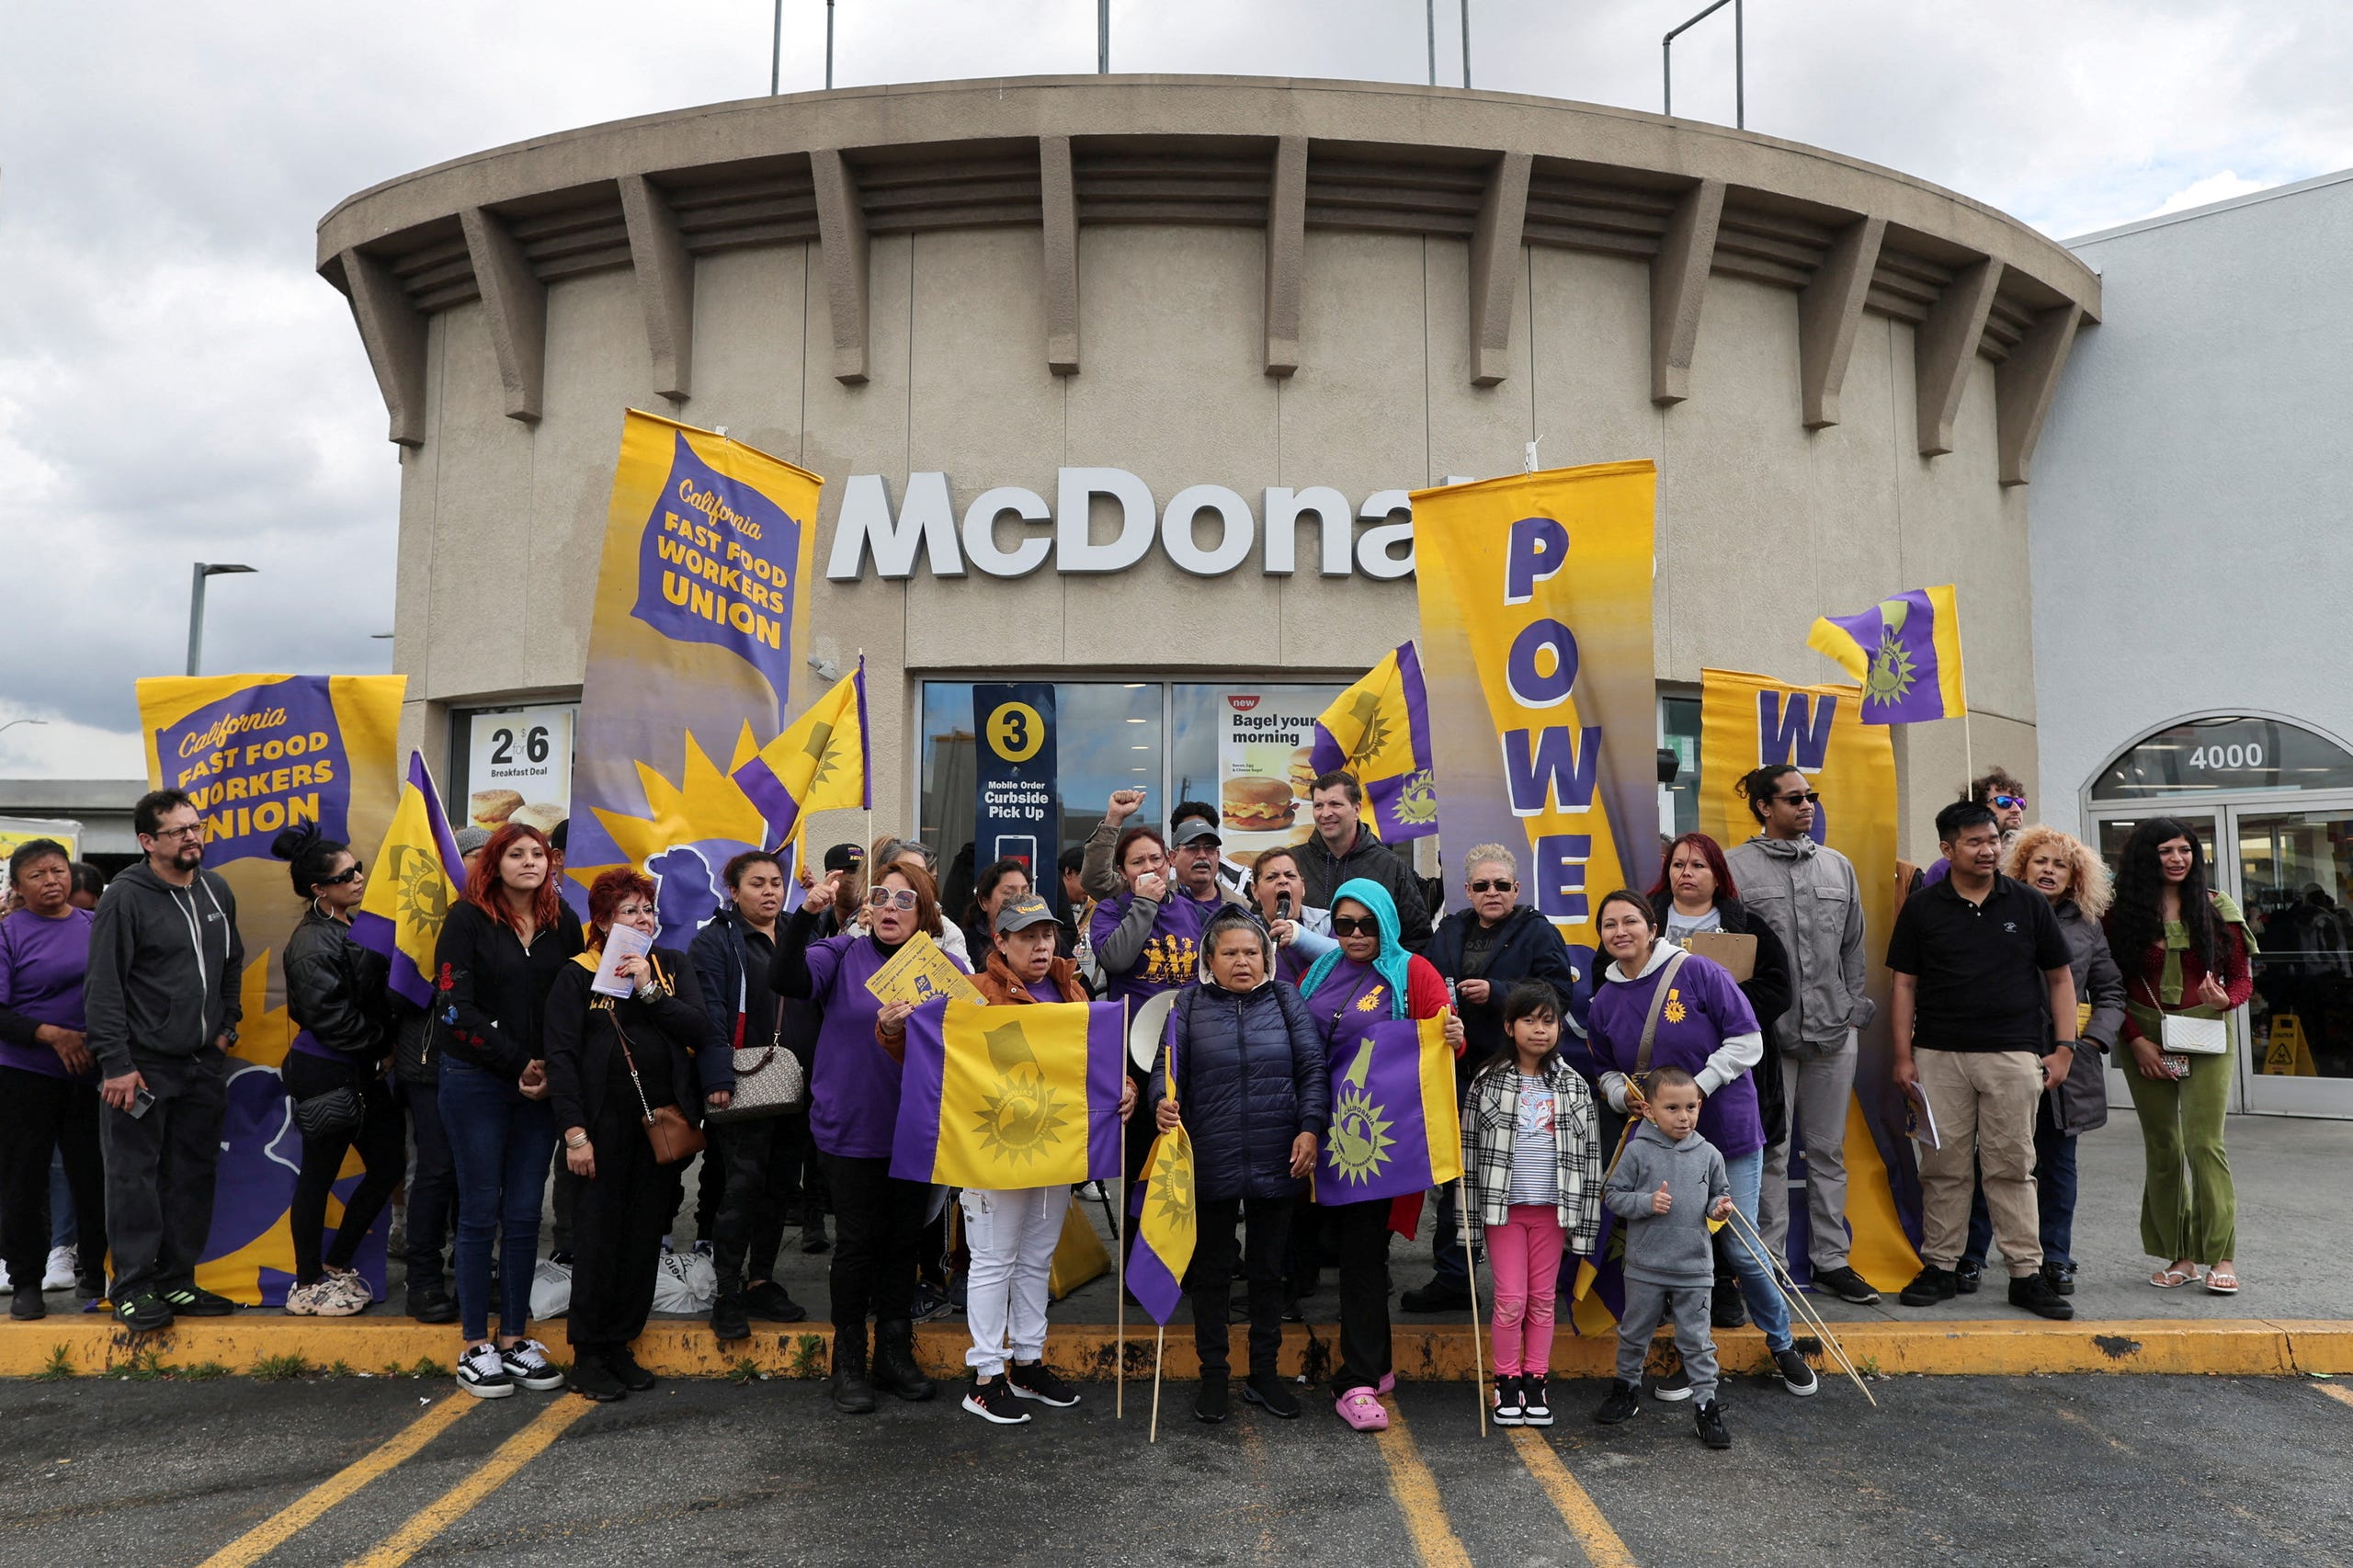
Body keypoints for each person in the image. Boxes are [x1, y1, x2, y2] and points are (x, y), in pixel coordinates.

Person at [1585, 889, 1818, 1397]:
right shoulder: (1604, 1000)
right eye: (1609, 926)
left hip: (1726, 1130)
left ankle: (1781, 1342)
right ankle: (1687, 1361)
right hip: (1657, 1143)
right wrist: (1620, 1096)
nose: (1620, 932)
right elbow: (1603, 1066)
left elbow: (1748, 1040)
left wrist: (1695, 1092)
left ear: (1652, 926)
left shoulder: (1697, 972)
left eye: (1630, 921)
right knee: (1666, 1245)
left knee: (1740, 1243)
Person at [773, 858, 968, 1415]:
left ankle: (895, 1354)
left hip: (917, 1127)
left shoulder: (944, 967)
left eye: (905, 900)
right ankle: (850, 1360)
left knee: (902, 1242)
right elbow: (784, 979)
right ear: (866, 906)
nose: (890, 907)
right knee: (857, 1245)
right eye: (881, 895)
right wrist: (804, 916)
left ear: (924, 914)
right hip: (850, 1126)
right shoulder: (839, 953)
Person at [1889, 801, 2078, 1320]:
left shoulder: (2027, 903)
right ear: (1947, 850)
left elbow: (2060, 977)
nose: (1988, 849)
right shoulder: (1923, 908)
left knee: (2013, 1165)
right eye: (1974, 841)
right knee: (1943, 1167)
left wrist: (2065, 1047)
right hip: (1938, 1054)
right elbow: (1903, 982)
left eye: (1993, 839)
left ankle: (2025, 1273)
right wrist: (1903, 1055)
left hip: (2013, 1054)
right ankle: (1941, 1266)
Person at [545, 869, 722, 1401]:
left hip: (658, 1129)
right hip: (600, 1132)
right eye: (630, 911)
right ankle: (589, 1354)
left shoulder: (670, 966)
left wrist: (648, 991)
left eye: (648, 909)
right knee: (598, 1241)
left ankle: (621, 1343)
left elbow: (700, 1029)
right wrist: (575, 1134)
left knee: (644, 1237)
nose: (644, 919)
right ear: (602, 922)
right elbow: (562, 1058)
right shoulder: (576, 975)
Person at [1296, 878, 1462, 1432]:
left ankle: (1358, 1380)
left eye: (1368, 923)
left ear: (1387, 922)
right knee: (1346, 1252)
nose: (1357, 934)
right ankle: (1378, 1364)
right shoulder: (1318, 971)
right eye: (1344, 925)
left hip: (1379, 1146)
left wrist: (1453, 1033)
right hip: (1322, 1135)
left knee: (1362, 1255)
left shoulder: (1412, 971)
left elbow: (1443, 1037)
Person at [1150, 905, 1327, 1424]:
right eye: (1230, 952)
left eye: (1252, 952)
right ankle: (1213, 1377)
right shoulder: (1187, 1005)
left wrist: (1310, 1127)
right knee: (1211, 1274)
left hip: (1280, 1155)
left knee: (1269, 1274)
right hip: (1211, 1156)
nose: (1243, 962)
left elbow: (1312, 1068)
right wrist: (1161, 1100)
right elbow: (1166, 1071)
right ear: (1210, 958)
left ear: (1268, 958)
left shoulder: (1287, 999)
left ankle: (1264, 1374)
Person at [956, 894, 1130, 1423]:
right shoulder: (974, 993)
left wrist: (1122, 1086)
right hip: (995, 1150)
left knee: (1035, 1257)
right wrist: (892, 1029)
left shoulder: (1068, 986)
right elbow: (929, 1058)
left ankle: (1027, 1363)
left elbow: (1093, 1059)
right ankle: (985, 1376)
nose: (1040, 945)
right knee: (992, 1259)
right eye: (1026, 936)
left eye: (1047, 935)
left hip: (1054, 1145)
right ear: (1000, 943)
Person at [432, 820, 584, 1397]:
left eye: (538, 853)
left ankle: (515, 1337)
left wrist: (549, 1067)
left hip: (539, 1086)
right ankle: (475, 1343)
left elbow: (571, 1002)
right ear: (493, 862)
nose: (530, 862)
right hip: (475, 1079)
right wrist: (520, 1060)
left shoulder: (561, 921)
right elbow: (453, 1008)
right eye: (516, 853)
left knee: (524, 1212)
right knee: (479, 1211)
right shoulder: (467, 919)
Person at [85, 790, 244, 1332]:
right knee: (134, 1178)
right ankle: (130, 1288)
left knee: (192, 1176)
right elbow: (103, 987)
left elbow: (232, 961)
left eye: (196, 827)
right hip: (141, 1067)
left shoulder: (216, 889)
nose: (192, 837)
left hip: (202, 1064)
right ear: (147, 841)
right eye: (178, 831)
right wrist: (115, 1064)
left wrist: (226, 1027)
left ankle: (177, 1279)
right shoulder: (124, 897)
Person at [1724, 765, 1878, 1306]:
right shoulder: (1734, 870)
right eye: (1794, 798)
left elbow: (1853, 948)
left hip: (1835, 1032)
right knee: (1770, 1149)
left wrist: (1853, 1010)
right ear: (1765, 807)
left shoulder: (1838, 867)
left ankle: (1832, 1259)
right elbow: (1730, 956)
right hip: (1770, 1037)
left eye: (1810, 796)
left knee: (1828, 1150)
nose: (1807, 805)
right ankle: (1765, 1263)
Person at [1408, 844, 1583, 1314]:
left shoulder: (1537, 931)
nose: (1492, 892)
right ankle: (1454, 1277)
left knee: (1525, 1181)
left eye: (1501, 885)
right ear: (1466, 891)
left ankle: (1529, 1285)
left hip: (1516, 1073)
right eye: (1481, 885)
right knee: (1456, 1177)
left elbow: (1560, 995)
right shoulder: (1450, 929)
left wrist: (1499, 993)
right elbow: (1419, 981)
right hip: (1455, 1071)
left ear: (1516, 889)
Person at [1956, 827, 2127, 1298]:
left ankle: (2055, 1257)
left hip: (2065, 1068)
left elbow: (2111, 992)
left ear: (2075, 878)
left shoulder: (2087, 926)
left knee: (2056, 1165)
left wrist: (2088, 1043)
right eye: (2040, 861)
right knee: (1992, 1161)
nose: (2049, 870)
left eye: (2061, 864)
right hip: (2002, 1056)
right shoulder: (1994, 911)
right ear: (2022, 867)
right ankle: (1971, 1256)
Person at [1648, 832, 1793, 1328]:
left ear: (1718, 875)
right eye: (1678, 864)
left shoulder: (1746, 925)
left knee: (1724, 1195)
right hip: (1660, 1083)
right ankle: (1673, 1289)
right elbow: (1612, 974)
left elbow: (1779, 989)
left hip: (1729, 1080)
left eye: (1698, 866)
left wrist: (1710, 1008)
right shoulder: (1645, 920)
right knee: (1673, 1193)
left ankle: (1727, 1288)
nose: (1685, 873)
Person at [2106, 818, 2254, 1295]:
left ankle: (2222, 1256)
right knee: (2165, 1147)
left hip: (2206, 1033)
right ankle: (2182, 1256)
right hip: (2146, 1037)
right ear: (2146, 858)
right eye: (2166, 850)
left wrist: (2224, 1001)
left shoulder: (2217, 908)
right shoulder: (2120, 914)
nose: (2177, 858)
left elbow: (2242, 980)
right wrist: (2135, 1040)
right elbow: (2109, 986)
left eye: (2185, 849)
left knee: (2203, 1143)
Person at [273, 825, 404, 1317]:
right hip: (327, 1071)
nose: (358, 877)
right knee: (318, 1174)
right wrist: (382, 1047)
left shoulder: (349, 924)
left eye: (358, 868)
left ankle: (335, 1264)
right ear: (318, 890)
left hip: (361, 1070)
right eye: (345, 875)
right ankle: (307, 1281)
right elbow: (327, 1017)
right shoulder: (311, 942)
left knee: (389, 1166)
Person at [1460, 983, 1599, 1428]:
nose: (1539, 1030)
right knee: (1509, 1299)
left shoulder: (1575, 1084)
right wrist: (1467, 1220)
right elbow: (1467, 1153)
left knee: (1542, 1299)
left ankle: (1536, 1379)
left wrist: (1585, 1222)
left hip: (1552, 1210)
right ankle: (1506, 1380)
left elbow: (1591, 1157)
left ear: (1559, 1027)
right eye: (1529, 1020)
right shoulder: (1487, 1081)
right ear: (1509, 1026)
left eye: (1548, 1021)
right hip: (1504, 1209)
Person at [691, 850, 811, 1343]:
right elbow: (710, 1014)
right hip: (741, 1080)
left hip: (794, 1080)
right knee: (739, 1188)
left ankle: (762, 1278)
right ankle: (726, 1292)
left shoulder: (797, 933)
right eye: (757, 883)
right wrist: (717, 1076)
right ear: (733, 891)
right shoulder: (715, 941)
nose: (769, 892)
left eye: (776, 883)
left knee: (780, 1187)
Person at [1593, 1066, 1736, 1449]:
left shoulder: (1709, 1154)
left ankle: (1706, 1406)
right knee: (1634, 1332)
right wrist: (1646, 1202)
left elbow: (1718, 1198)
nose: (1683, 1116)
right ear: (1650, 1110)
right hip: (1645, 1266)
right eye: (1672, 1108)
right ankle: (1625, 1389)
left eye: (1690, 1107)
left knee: (1698, 1340)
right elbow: (1613, 1195)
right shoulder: (1638, 1149)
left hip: (1695, 1267)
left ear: (1700, 1106)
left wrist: (1720, 1208)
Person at [0, 838, 105, 1319]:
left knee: (93, 1175)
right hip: (25, 1073)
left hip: (90, 1071)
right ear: (18, 886)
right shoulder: (9, 932)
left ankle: (95, 1274)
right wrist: (53, 1035)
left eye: (58, 870)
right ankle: (26, 1280)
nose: (51, 881)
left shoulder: (95, 925)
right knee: (24, 1177)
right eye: (37, 874)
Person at [393, 824, 490, 1324]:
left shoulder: (499, 913)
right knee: (436, 1172)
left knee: (478, 1174)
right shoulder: (424, 914)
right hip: (430, 1063)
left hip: (485, 1064)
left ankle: (473, 1267)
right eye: (480, 855)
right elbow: (394, 992)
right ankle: (424, 1279)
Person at [1294, 773, 1434, 951]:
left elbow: (1417, 939)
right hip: (1302, 978)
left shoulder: (1391, 866)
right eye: (1318, 806)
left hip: (1374, 978)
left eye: (1335, 804)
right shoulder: (1293, 864)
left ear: (1357, 809)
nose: (1325, 813)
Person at [1918, 769, 2030, 888]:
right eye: (2004, 802)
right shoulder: (1945, 869)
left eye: (2020, 802)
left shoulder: (2034, 860)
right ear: (1978, 807)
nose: (2016, 809)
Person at [1246, 844, 1335, 983]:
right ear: (1255, 890)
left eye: (1290, 875)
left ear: (1303, 887)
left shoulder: (1327, 921)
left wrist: (1299, 936)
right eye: (1271, 877)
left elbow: (1346, 958)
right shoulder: (1245, 931)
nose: (1283, 881)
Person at [962, 858, 1033, 960]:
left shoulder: (1044, 940)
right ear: (984, 902)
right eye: (1009, 893)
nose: (1020, 898)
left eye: (1025, 892)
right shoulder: (966, 944)